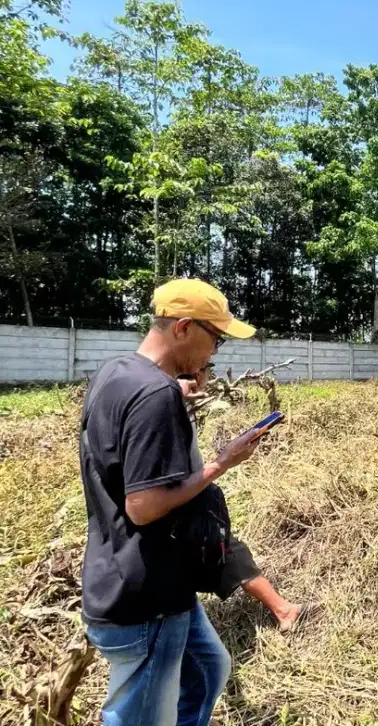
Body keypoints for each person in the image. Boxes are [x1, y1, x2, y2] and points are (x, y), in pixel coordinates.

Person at [79, 278, 262, 726]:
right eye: (215, 337)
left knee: (207, 669)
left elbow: (127, 436)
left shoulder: (119, 373)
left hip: (130, 574)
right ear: (182, 327)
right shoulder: (154, 395)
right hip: (146, 595)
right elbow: (144, 506)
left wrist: (174, 396)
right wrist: (223, 462)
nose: (216, 351)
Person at [177, 367, 306, 632]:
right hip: (185, 503)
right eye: (203, 369)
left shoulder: (180, 409)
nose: (206, 378)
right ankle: (283, 610)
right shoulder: (162, 412)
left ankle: (283, 610)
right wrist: (225, 461)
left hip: (196, 496)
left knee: (229, 551)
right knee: (226, 552)